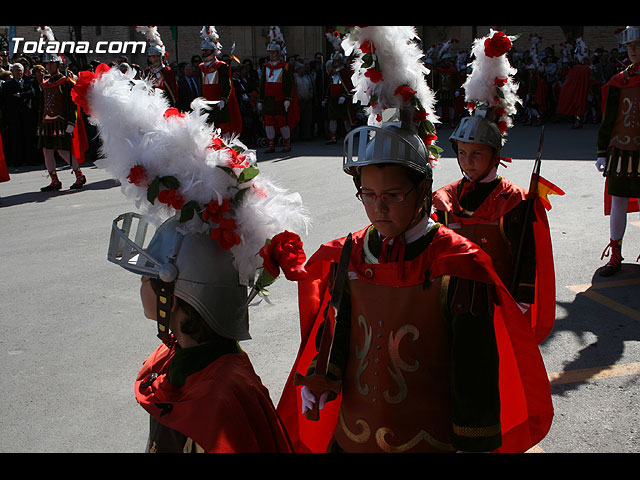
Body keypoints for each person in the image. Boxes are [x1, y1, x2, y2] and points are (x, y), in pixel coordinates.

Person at [277, 26, 553, 454]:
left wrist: (472, 443)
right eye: (368, 195)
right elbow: (340, 326)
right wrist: (323, 378)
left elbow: (474, 371)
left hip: (430, 441)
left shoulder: (460, 263)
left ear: (422, 192)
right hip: (352, 437)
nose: (377, 208)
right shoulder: (353, 250)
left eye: (391, 196)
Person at [75, 63, 310, 453]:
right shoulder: (182, 358)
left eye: (148, 278)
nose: (142, 287)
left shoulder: (218, 396)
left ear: (180, 292)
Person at [432, 30, 560, 345]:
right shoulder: (446, 199)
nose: (468, 160)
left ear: (495, 155)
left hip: (499, 308)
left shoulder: (515, 201)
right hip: (452, 304)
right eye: (462, 153)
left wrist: (522, 301)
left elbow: (525, 256)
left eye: (476, 154)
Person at [596, 26, 640, 276]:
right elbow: (608, 118)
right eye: (630, 47)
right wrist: (602, 151)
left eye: (637, 46)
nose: (633, 51)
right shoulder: (618, 81)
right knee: (618, 203)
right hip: (620, 152)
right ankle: (615, 254)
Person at [36, 26, 88, 192]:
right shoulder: (46, 84)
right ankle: (54, 181)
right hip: (47, 123)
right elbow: (42, 105)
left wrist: (71, 122)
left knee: (63, 151)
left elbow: (72, 103)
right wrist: (39, 124)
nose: (49, 66)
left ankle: (79, 175)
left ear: (58, 64)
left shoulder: (66, 82)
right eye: (47, 63)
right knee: (47, 151)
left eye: (52, 63)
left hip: (62, 122)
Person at [258, 27, 299, 153]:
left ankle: (287, 143)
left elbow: (289, 84)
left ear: (278, 53)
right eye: (270, 52)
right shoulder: (266, 67)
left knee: (282, 122)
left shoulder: (285, 67)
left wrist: (288, 99)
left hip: (280, 99)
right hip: (268, 100)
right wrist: (260, 100)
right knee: (268, 122)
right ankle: (271, 145)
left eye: (274, 53)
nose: (271, 55)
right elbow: (262, 84)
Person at [198, 26, 242, 136]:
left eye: (207, 50)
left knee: (223, 129)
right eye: (203, 50)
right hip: (206, 104)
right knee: (208, 130)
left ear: (213, 51)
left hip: (219, 103)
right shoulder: (201, 67)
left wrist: (223, 99)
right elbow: (201, 86)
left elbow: (227, 85)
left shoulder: (221, 66)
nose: (204, 53)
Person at [136, 26, 179, 108]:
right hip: (150, 104)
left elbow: (173, 91)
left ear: (160, 56)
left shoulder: (167, 71)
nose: (154, 59)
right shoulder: (147, 72)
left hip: (164, 104)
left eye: (156, 56)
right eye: (152, 57)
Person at [323, 52, 354, 144]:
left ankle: (349, 136)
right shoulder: (332, 73)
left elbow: (348, 86)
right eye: (334, 60)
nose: (335, 62)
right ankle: (333, 136)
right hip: (333, 99)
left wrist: (345, 96)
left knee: (346, 119)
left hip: (343, 99)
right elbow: (329, 86)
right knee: (332, 118)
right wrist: (326, 97)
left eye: (337, 60)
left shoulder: (345, 72)